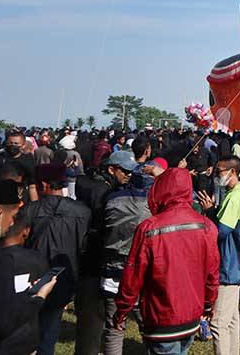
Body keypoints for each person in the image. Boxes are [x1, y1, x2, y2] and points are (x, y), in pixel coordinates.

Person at [112, 168, 220, 355]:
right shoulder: (206, 226)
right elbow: (212, 273)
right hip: (191, 315)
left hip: (161, 317)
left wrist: (122, 310)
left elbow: (133, 275)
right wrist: (208, 305)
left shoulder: (149, 228)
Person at [73, 149, 137, 355]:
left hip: (96, 260)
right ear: (111, 169)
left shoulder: (104, 188)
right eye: (125, 171)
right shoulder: (103, 193)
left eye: (131, 172)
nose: (128, 175)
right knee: (93, 322)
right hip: (93, 262)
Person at [22, 162, 91, 355]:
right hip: (64, 279)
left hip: (32, 280)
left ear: (43, 184)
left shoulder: (29, 211)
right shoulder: (83, 212)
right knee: (49, 334)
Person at [198, 156, 240, 355]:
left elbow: (221, 231)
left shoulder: (233, 198)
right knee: (231, 319)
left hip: (229, 267)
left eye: (220, 171)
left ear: (233, 172)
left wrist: (209, 212)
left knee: (218, 322)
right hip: (239, 265)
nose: (216, 175)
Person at [0, 180, 56, 355]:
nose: (11, 224)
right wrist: (38, 297)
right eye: (13, 217)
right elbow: (3, 322)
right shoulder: (2, 260)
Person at [100, 158, 154, 355]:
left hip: (113, 270)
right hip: (142, 274)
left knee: (114, 326)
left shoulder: (112, 199)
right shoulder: (152, 205)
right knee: (149, 326)